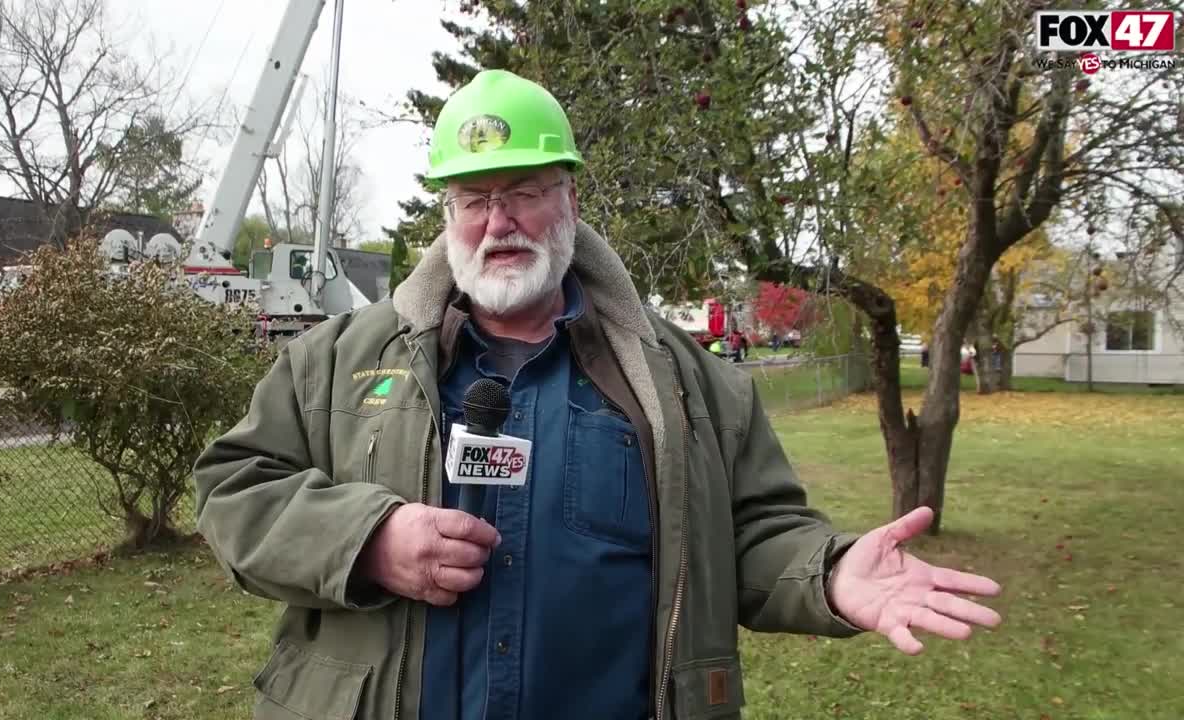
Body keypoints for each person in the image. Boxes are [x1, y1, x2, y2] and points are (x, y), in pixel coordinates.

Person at [192, 69, 1003, 720]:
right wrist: (365, 540)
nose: (498, 221)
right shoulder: (335, 361)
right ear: (449, 218)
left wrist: (826, 575)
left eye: (525, 191)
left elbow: (748, 534)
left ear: (569, 203)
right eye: (474, 200)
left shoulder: (690, 382)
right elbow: (233, 494)